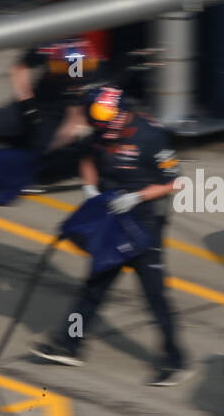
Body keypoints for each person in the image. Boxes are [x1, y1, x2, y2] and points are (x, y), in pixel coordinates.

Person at [32, 85, 188, 386]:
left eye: (115, 119)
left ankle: (175, 358)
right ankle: (68, 344)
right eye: (104, 123)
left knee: (154, 295)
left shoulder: (150, 135)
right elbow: (87, 159)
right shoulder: (99, 136)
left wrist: (138, 197)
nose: (112, 126)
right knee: (93, 287)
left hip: (144, 224)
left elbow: (176, 181)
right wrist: (90, 189)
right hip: (112, 223)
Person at [0, 33, 108, 188]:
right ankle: (21, 142)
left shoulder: (87, 73)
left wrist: (47, 148)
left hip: (62, 115)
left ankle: (68, 157)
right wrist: (27, 103)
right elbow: (19, 68)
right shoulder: (51, 48)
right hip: (36, 101)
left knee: (41, 168)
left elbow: (74, 122)